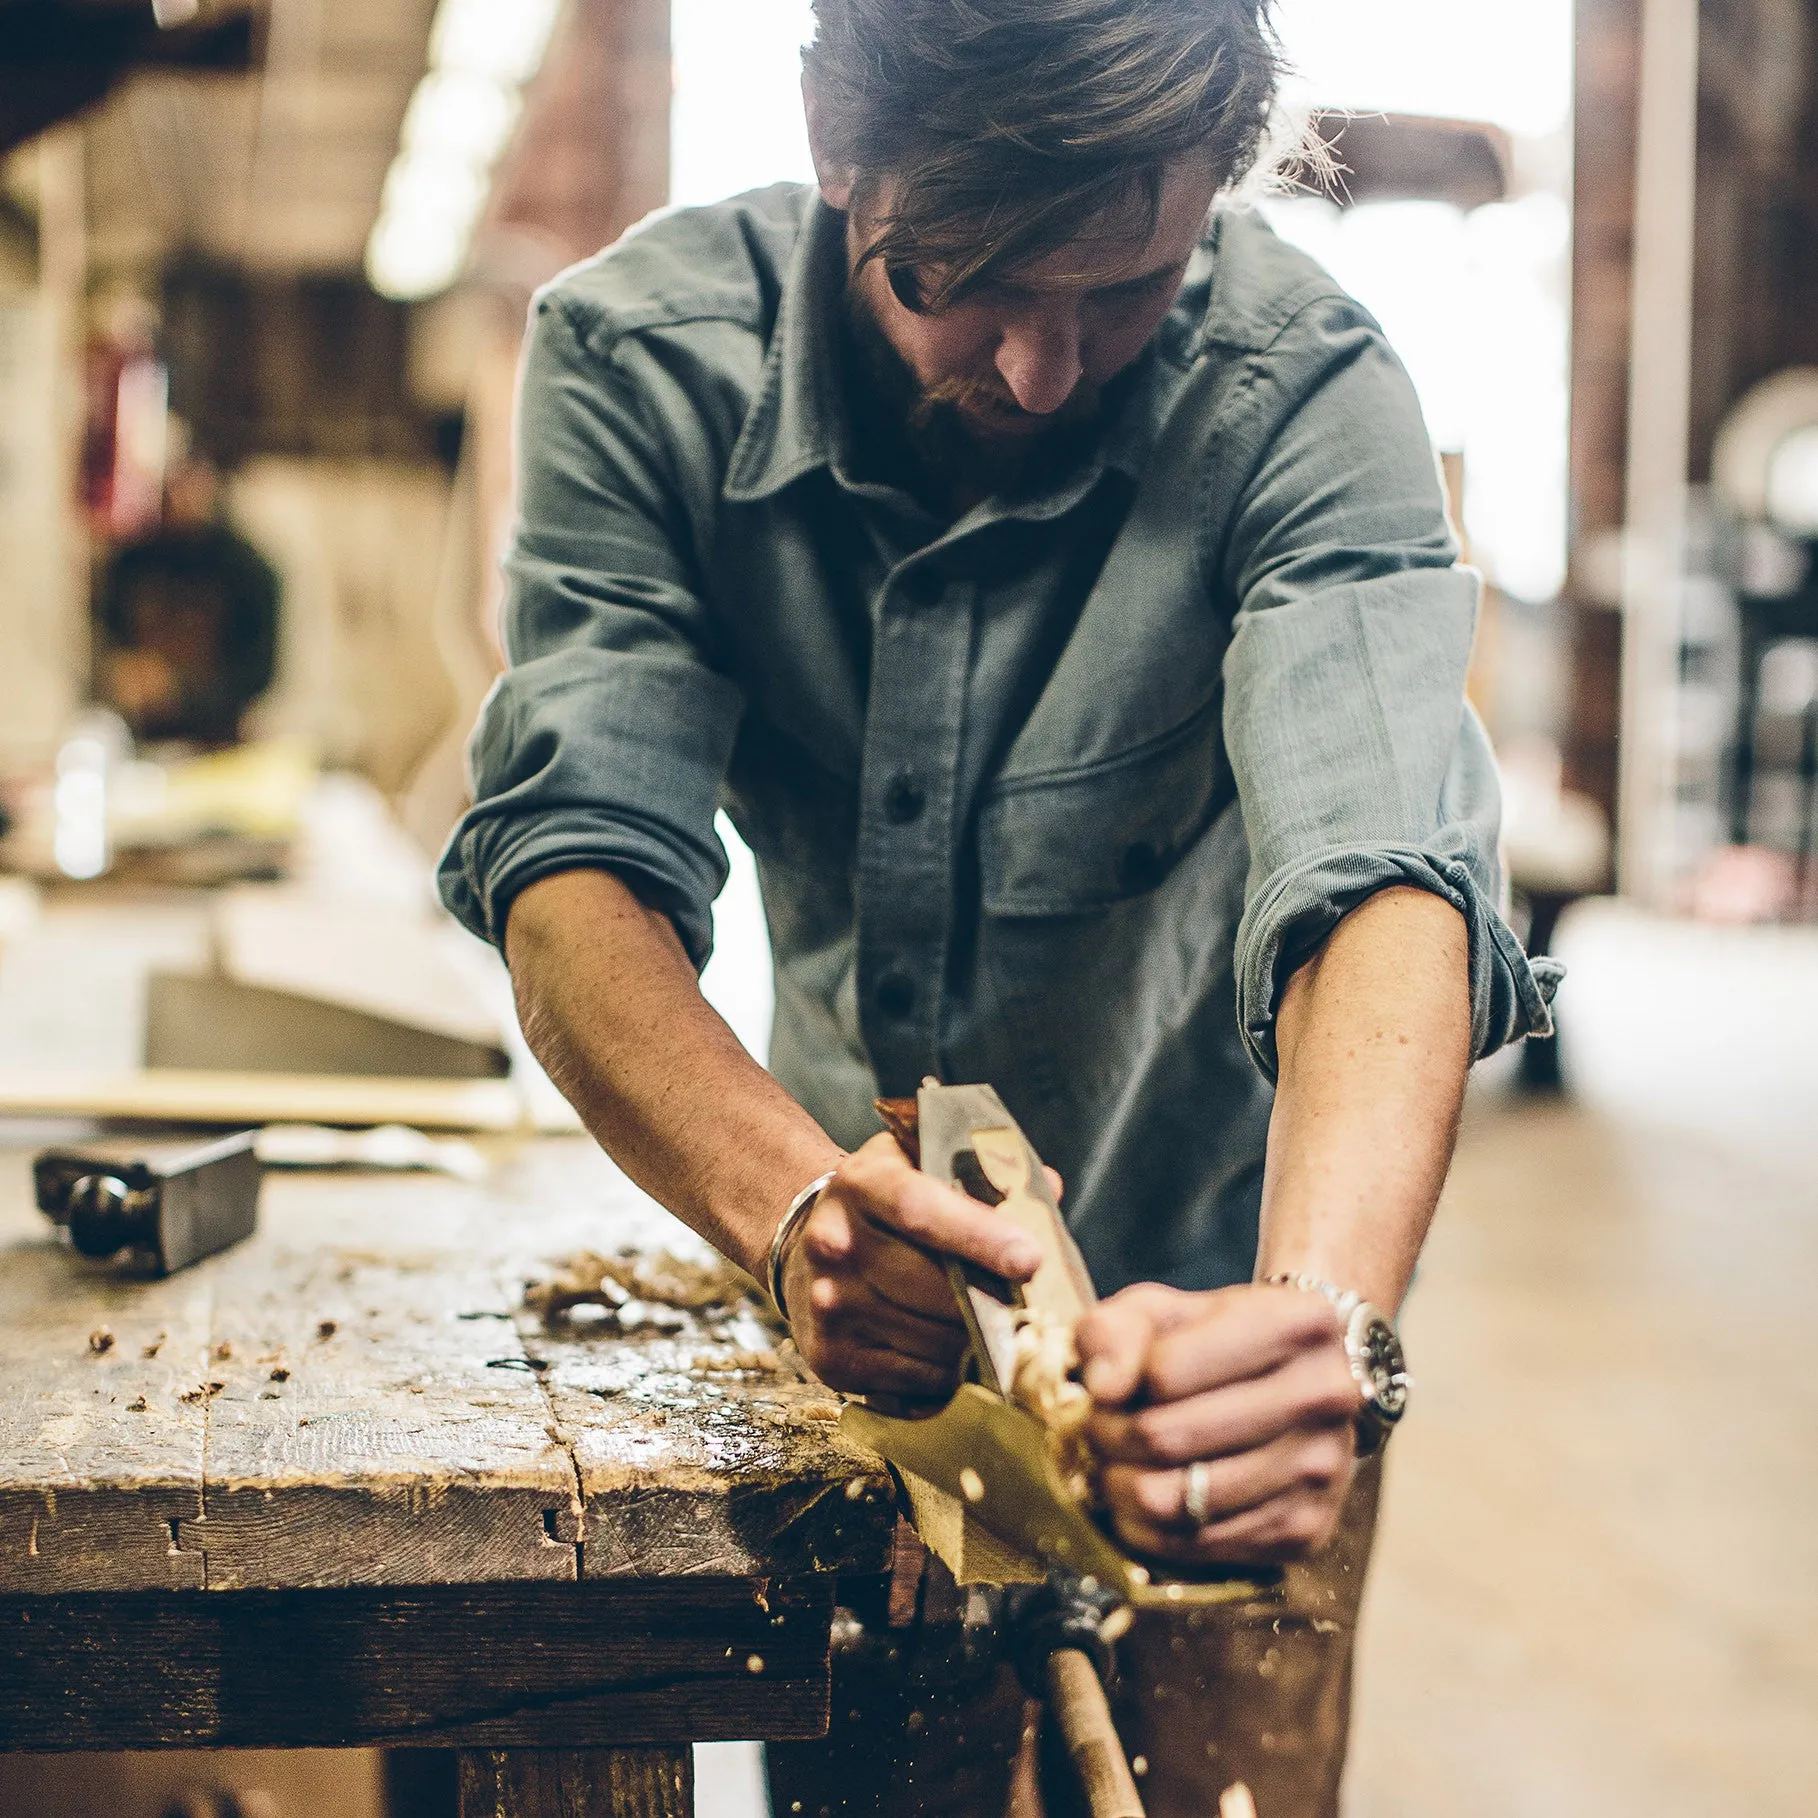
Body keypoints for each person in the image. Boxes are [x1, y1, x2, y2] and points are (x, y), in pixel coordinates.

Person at [439, 1, 1560, 1810]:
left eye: (1123, 287)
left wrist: (1316, 1331)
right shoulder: (639, 360)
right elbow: (572, 865)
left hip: (1213, 1302)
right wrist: (791, 1205)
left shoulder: (1307, 391)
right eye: (953, 276)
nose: (1042, 370)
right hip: (855, 1297)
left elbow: (1386, 877)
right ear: (830, 130)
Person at [94, 453, 280, 745]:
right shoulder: (130, 563)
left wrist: (178, 691)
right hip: (133, 735)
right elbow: (104, 640)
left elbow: (258, 673)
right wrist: (124, 672)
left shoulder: (248, 571)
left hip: (220, 742)